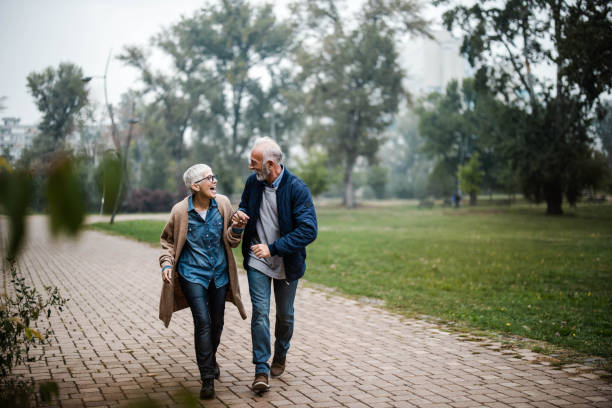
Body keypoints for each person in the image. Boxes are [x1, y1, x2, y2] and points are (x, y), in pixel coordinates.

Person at [232, 137, 318, 394]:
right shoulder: (253, 183)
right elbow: (246, 208)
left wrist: (274, 247)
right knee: (259, 312)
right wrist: (239, 217)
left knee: (285, 316)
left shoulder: (297, 188)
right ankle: (261, 368)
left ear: (270, 164)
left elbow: (309, 230)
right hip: (257, 259)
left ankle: (281, 352)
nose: (250, 167)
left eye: (254, 162)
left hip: (286, 263)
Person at [158, 164, 247, 400]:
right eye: (209, 178)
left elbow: (231, 241)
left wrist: (237, 228)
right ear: (195, 186)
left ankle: (210, 357)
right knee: (203, 322)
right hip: (192, 274)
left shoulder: (224, 205)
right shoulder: (180, 212)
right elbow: (167, 241)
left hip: (219, 273)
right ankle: (207, 377)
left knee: (217, 322)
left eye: (214, 176)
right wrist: (167, 264)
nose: (214, 181)